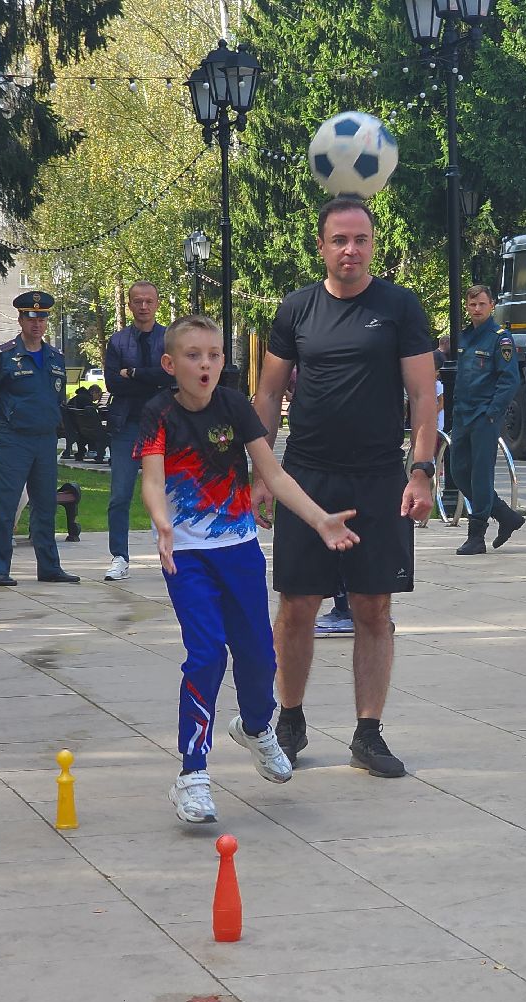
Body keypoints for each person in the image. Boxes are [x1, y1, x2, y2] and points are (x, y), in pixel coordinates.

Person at [138, 313, 360, 823]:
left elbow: (274, 474)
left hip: (238, 550)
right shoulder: (158, 414)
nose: (206, 365)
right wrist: (161, 521)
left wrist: (320, 519)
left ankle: (257, 726)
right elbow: (152, 480)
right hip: (188, 557)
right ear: (171, 364)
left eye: (214, 356)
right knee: (206, 655)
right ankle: (192, 774)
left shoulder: (235, 405)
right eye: (194, 356)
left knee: (260, 654)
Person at [251, 197, 437, 779]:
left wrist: (421, 470)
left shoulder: (400, 307)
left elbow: (423, 397)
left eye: (360, 239)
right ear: (322, 246)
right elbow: (266, 396)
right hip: (307, 477)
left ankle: (368, 732)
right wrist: (261, 473)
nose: (350, 250)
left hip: (379, 477)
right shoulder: (297, 310)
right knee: (298, 605)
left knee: (372, 607)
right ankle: (290, 720)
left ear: (373, 245)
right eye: (339, 240)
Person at [0, 290, 79, 587]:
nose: (37, 323)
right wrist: (0, 420)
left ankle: (49, 567)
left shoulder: (55, 357)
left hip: (44, 439)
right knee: (6, 505)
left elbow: (56, 397)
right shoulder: (4, 355)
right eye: (31, 317)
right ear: (20, 319)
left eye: (42, 318)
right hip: (14, 438)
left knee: (45, 505)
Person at [451, 284, 525, 555]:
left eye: (482, 304)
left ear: (492, 305)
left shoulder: (500, 339)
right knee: (458, 472)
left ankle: (476, 534)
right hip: (462, 415)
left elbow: (509, 380)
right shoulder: (464, 338)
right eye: (472, 305)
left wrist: (493, 413)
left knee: (481, 475)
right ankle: (506, 516)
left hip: (485, 415)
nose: (477, 309)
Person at [104, 281, 172, 581]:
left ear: (157, 304)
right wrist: (153, 378)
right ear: (129, 305)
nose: (143, 306)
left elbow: (173, 377)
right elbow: (113, 385)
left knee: (171, 493)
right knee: (120, 494)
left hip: (165, 425)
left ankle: (173, 551)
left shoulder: (170, 339)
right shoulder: (118, 342)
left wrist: (133, 373)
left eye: (148, 301)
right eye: (137, 301)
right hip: (127, 425)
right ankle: (119, 555)